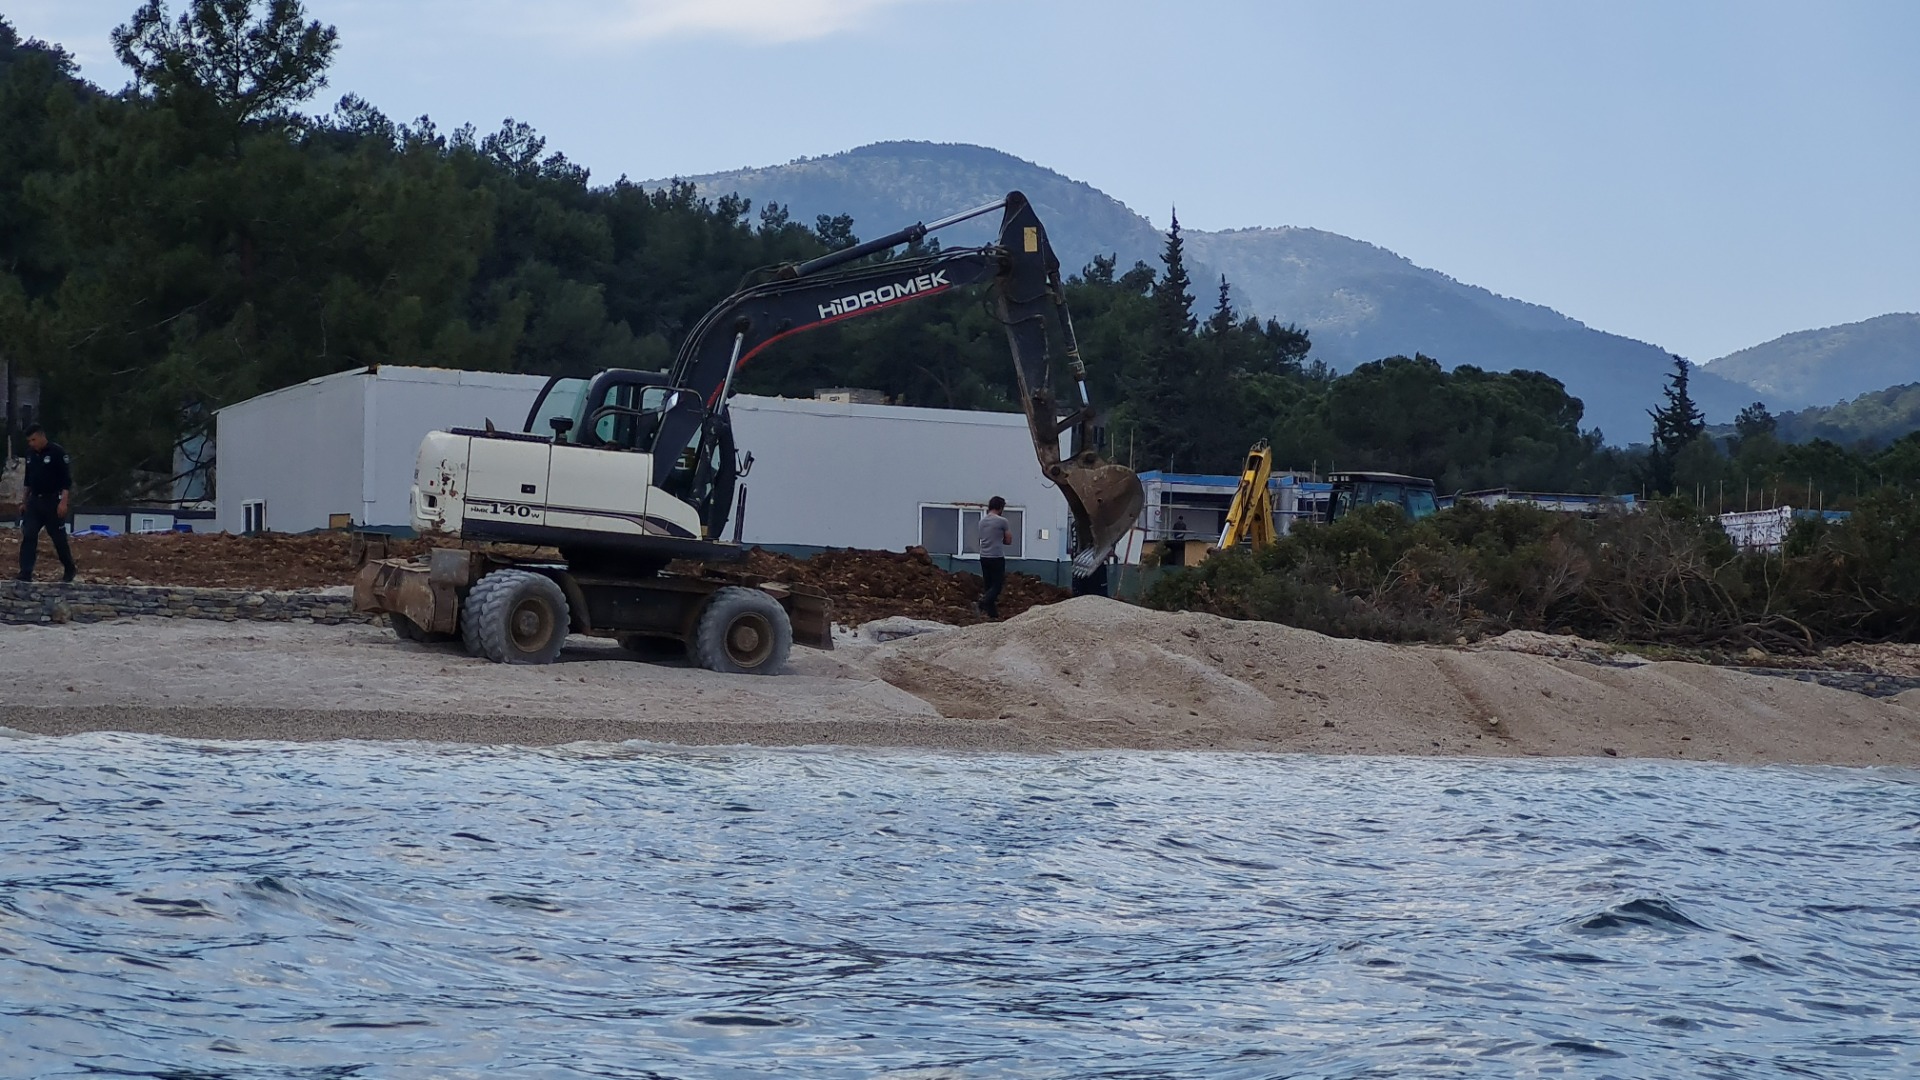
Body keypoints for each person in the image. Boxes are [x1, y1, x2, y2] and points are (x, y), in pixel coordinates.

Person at [17, 424, 77, 583]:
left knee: (58, 538)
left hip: (53, 501)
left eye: (34, 439)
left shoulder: (57, 452)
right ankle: (25, 572)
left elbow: (66, 481)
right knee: (29, 534)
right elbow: (28, 480)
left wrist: (63, 502)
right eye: (29, 441)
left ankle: (69, 568)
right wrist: (24, 501)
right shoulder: (30, 454)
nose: (31, 443)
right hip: (35, 501)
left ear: (42, 436)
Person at [976, 495, 1014, 619]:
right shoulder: (1002, 521)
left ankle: (992, 615)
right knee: (997, 585)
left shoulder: (982, 522)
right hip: (996, 556)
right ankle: (982, 603)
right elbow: (1008, 540)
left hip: (983, 556)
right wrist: (1000, 539)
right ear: (1000, 507)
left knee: (988, 585)